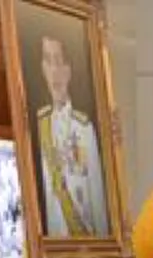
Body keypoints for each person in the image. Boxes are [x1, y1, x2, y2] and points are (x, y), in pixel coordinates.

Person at [35, 35, 108, 238]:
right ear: (43, 68)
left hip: (84, 240)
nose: (54, 71)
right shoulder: (40, 126)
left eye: (58, 61)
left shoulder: (84, 127)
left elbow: (97, 198)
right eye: (48, 61)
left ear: (68, 70)